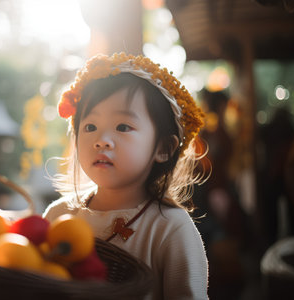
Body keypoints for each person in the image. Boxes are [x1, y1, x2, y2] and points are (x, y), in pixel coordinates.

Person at [43, 53, 208, 299]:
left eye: (122, 127)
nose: (101, 141)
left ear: (163, 148)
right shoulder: (59, 215)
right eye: (90, 127)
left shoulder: (170, 228)